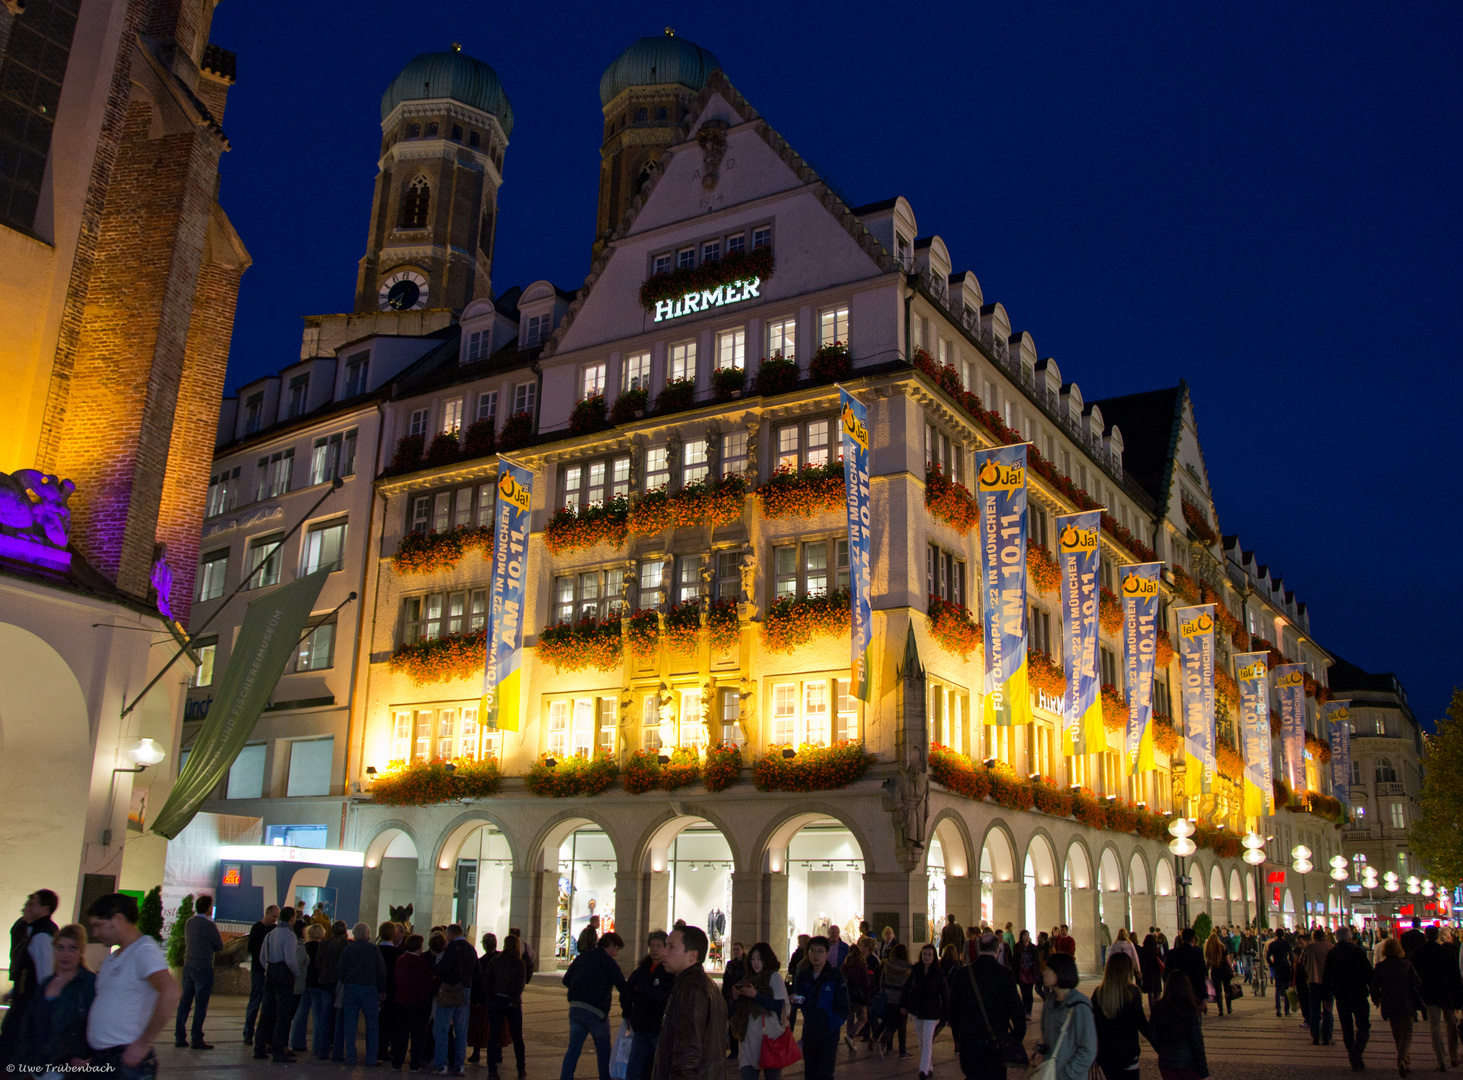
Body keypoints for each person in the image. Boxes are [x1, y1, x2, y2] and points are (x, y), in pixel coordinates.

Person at [85, 892, 180, 1076]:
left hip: (125, 1060)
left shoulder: (143, 951)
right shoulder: (114, 958)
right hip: (105, 1058)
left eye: (99, 925)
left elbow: (170, 991)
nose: (95, 933)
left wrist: (143, 1043)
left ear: (118, 919)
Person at [14, 923, 94, 1074]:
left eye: (72, 948)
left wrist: (89, 1058)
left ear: (81, 951)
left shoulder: (89, 983)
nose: (66, 954)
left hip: (68, 1066)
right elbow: (29, 1026)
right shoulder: (46, 983)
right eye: (60, 948)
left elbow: (94, 1024)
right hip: (38, 1064)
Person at [947, 931, 1025, 1080]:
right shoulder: (1005, 975)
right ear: (998, 950)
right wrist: (1016, 1037)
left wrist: (957, 1037)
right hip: (996, 1043)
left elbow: (953, 1009)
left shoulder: (963, 974)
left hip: (969, 1042)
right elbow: (1017, 1010)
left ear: (977, 947)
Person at [652, 926, 727, 1080]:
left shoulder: (691, 988)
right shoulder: (704, 984)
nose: (664, 952)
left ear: (692, 956)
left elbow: (687, 1052)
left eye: (671, 947)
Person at [1, 888, 60, 1065]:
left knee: (13, 1044)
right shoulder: (33, 929)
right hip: (24, 999)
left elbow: (45, 974)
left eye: (33, 904)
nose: (27, 907)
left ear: (45, 908)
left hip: (29, 1004)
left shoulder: (42, 934)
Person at [559, 930, 627, 1080]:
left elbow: (566, 980)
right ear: (610, 946)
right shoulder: (608, 963)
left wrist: (578, 989)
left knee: (573, 1049)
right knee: (603, 1051)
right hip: (596, 1011)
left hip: (576, 1008)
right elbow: (623, 986)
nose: (616, 953)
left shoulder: (583, 957)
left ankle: (565, 1077)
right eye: (616, 949)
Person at [791, 935, 849, 1080]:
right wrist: (796, 1000)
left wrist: (832, 1023)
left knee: (825, 1074)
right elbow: (802, 999)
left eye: (820, 951)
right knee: (810, 1073)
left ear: (826, 953)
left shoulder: (835, 976)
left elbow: (844, 1006)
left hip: (828, 1033)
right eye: (812, 951)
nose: (815, 955)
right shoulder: (805, 975)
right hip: (810, 1032)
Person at [1031, 952, 1096, 1080]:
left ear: (1059, 972)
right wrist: (1040, 1052)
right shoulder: (1050, 1003)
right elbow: (1047, 1038)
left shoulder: (1079, 1006)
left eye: (1048, 969)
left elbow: (1088, 1049)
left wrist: (1067, 1073)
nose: (1044, 973)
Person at [730, 941, 789, 1080]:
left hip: (769, 1038)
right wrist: (735, 996)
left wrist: (756, 996)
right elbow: (737, 1009)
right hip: (748, 1039)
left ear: (766, 960)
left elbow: (780, 1006)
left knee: (772, 1076)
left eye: (759, 959)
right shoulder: (747, 978)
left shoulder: (774, 977)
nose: (755, 963)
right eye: (753, 959)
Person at [1091, 951, 1154, 1080]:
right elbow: (1141, 1023)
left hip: (1105, 1054)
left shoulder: (1099, 993)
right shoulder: (1132, 993)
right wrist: (1159, 1045)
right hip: (1127, 1053)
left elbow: (1093, 1026)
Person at [172, 892, 223, 1050]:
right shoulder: (209, 926)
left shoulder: (189, 923)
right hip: (203, 967)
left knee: (185, 1003)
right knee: (200, 1005)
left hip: (188, 966)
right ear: (208, 908)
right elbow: (219, 946)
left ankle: (180, 1037)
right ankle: (196, 1038)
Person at [335, 921, 388, 1066]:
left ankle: (351, 1057)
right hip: (369, 989)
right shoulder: (374, 949)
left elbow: (340, 970)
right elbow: (381, 970)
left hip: (351, 988)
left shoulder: (348, 949)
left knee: (350, 1025)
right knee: (372, 1025)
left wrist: (347, 980)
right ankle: (371, 1058)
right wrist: (382, 990)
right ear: (367, 934)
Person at [624, 931, 676, 1080]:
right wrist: (627, 1013)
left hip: (659, 1028)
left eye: (658, 946)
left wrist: (642, 993)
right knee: (634, 1070)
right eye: (652, 946)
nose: (654, 949)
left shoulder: (669, 970)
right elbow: (627, 991)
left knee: (658, 1068)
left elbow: (664, 995)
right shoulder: (642, 969)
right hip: (640, 1027)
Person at [251, 904, 300, 1063]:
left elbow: (262, 957)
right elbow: (290, 960)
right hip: (284, 977)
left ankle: (259, 1048)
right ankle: (278, 1051)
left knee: (266, 1014)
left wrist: (268, 969)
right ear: (292, 919)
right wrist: (296, 973)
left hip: (270, 974)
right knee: (282, 1015)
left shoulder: (271, 934)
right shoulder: (290, 936)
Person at [1409, 925, 1460, 1071]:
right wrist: (1458, 998)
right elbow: (1455, 977)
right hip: (1447, 994)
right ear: (1437, 936)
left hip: (1429, 995)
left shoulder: (1418, 953)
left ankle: (1441, 1061)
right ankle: (1454, 1056)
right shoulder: (1447, 953)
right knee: (1451, 1024)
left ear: (1426, 936)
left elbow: (1413, 975)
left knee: (1435, 1026)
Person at [1324, 926, 1375, 1072]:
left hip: (1341, 995)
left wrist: (1327, 998)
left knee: (1347, 1028)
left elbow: (1326, 977)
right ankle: (1356, 1052)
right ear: (1349, 937)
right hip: (1358, 994)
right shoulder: (1357, 951)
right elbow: (1368, 973)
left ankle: (1353, 1054)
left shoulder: (1332, 954)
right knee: (1364, 1025)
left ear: (1336, 938)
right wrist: (1374, 992)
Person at [1371, 937, 1423, 1078]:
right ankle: (1402, 1058)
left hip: (1389, 1003)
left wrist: (1377, 999)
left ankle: (1404, 1059)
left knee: (1397, 1034)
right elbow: (1417, 982)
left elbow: (1374, 986)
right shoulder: (1406, 964)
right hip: (1406, 1003)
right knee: (1406, 1033)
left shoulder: (1380, 967)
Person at [432, 923, 478, 1075]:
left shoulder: (451, 948)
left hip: (451, 991)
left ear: (450, 934)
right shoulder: (471, 948)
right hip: (466, 991)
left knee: (442, 1029)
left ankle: (441, 1065)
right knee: (461, 1030)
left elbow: (444, 969)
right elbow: (478, 972)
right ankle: (459, 1065)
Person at [901, 943, 948, 1080]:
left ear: (934, 957)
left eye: (929, 955)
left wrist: (945, 1014)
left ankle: (923, 1070)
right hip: (917, 1008)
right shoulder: (916, 970)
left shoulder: (939, 973)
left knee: (927, 1040)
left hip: (931, 1010)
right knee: (921, 1040)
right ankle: (929, 1066)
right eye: (924, 954)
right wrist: (903, 1004)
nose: (926, 957)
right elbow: (907, 987)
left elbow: (945, 995)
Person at [1151, 970, 1208, 1080]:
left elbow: (1152, 1034)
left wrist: (1163, 1049)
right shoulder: (1190, 1009)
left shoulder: (1159, 1007)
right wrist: (1204, 1072)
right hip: (1188, 1063)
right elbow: (1197, 1042)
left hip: (1166, 1063)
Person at [392, 933, 434, 1072]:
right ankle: (414, 1064)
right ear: (419, 947)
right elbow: (427, 983)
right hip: (418, 1002)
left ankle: (397, 1063)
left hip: (401, 1000)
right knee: (417, 1035)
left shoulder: (400, 960)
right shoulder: (421, 963)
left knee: (401, 1033)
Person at [242, 903, 279, 1043]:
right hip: (258, 970)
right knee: (255, 1001)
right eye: (274, 916)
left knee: (267, 1004)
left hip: (269, 971)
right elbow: (251, 948)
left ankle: (263, 1035)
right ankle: (248, 1033)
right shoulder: (257, 928)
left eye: (277, 917)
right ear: (267, 913)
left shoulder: (274, 929)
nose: (275, 919)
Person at [314, 918, 348, 1060]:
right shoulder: (347, 945)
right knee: (339, 1018)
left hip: (325, 982)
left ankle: (322, 1050)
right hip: (341, 984)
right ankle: (337, 1053)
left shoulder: (324, 944)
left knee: (324, 1017)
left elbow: (318, 962)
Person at [872, 941, 912, 1058]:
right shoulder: (908, 969)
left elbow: (881, 982)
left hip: (888, 997)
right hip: (900, 999)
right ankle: (900, 1050)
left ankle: (888, 1047)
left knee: (890, 1021)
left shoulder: (887, 965)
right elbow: (909, 986)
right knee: (900, 1025)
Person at [292, 922, 327, 1054]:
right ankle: (317, 1046)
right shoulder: (323, 949)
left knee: (300, 1014)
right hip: (317, 985)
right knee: (318, 1015)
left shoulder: (304, 948)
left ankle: (297, 1043)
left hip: (304, 984)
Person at [1300, 927, 1335, 1045]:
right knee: (1328, 1011)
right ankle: (1327, 1037)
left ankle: (1315, 1036)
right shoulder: (1331, 947)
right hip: (1328, 983)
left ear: (1314, 937)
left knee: (1314, 1011)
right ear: (1324, 936)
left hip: (1314, 982)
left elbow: (1301, 962)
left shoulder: (1308, 948)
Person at [468, 932, 499, 1065]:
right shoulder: (500, 958)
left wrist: (475, 999)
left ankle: (476, 1053)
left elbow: (478, 982)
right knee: (496, 1027)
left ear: (485, 945)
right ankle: (497, 1053)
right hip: (498, 998)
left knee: (480, 1027)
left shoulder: (481, 962)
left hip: (484, 999)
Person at [1167, 928, 1209, 1017]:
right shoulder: (1197, 953)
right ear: (1193, 939)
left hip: (1175, 994)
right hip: (1193, 994)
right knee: (1194, 1023)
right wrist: (1203, 998)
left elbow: (1166, 976)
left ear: (1182, 938)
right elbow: (1200, 976)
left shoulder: (1172, 954)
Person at [378, 921, 401, 1065]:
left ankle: (377, 1049)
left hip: (376, 990)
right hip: (393, 991)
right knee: (390, 1021)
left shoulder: (375, 950)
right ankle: (386, 1048)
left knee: (376, 1022)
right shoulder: (398, 954)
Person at [843, 943, 872, 1049]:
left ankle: (850, 1038)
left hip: (847, 995)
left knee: (850, 1018)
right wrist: (867, 994)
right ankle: (851, 1036)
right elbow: (866, 982)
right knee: (863, 1017)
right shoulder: (861, 963)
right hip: (858, 996)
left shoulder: (846, 964)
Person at [723, 940, 747, 1057]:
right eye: (734, 949)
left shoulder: (747, 964)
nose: (736, 952)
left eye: (738, 949)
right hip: (732, 998)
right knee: (732, 1024)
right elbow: (726, 981)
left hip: (744, 997)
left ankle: (744, 1049)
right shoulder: (730, 964)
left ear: (742, 950)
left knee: (743, 1023)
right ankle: (734, 1051)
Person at [1203, 929, 1234, 1018]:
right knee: (1227, 989)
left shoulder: (1208, 949)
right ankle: (1229, 1008)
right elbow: (1227, 959)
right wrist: (1232, 969)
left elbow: (1208, 963)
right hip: (1225, 970)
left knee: (1218, 991)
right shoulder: (1222, 946)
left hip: (1215, 971)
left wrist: (1206, 972)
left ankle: (1221, 1010)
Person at [1268, 929, 1296, 1018]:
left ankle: (1278, 1009)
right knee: (1286, 988)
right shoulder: (1286, 944)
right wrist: (1291, 964)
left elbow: (1268, 956)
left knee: (1278, 989)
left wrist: (1272, 964)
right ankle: (1287, 1010)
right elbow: (1291, 956)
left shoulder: (1272, 944)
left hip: (1277, 967)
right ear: (1283, 935)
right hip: (1285, 966)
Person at [1138, 934, 1164, 1015]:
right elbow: (1162, 959)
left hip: (1147, 972)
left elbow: (1140, 961)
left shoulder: (1143, 949)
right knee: (1156, 990)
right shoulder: (1156, 949)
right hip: (1156, 972)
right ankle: (1157, 1006)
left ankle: (1152, 1007)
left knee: (1150, 991)